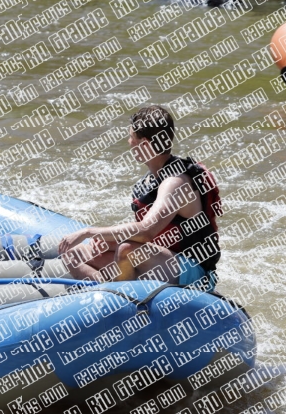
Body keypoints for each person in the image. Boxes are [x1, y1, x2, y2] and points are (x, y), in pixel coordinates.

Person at [57, 105, 221, 289]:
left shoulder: (175, 183)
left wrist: (87, 232)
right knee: (74, 254)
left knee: (127, 250)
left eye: (131, 137)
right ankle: (110, 291)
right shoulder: (153, 179)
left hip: (192, 271)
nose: (128, 142)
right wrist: (106, 240)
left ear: (144, 144)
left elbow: (145, 231)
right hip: (160, 259)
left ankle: (121, 298)